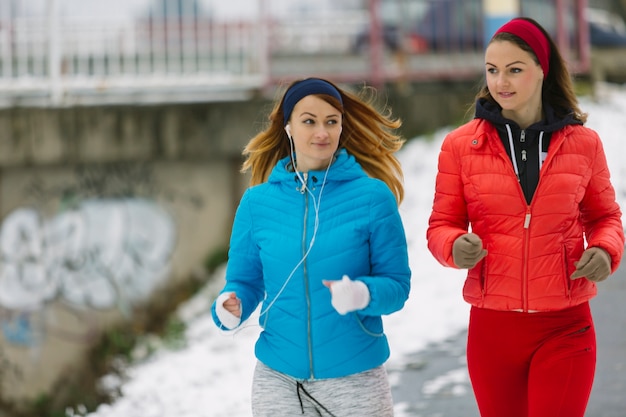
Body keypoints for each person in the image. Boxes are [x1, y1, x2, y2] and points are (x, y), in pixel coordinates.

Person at [426, 17, 624, 417]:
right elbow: (440, 225)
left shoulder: (583, 144)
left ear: (542, 70)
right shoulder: (461, 146)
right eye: (492, 70)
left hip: (566, 327)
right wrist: (452, 245)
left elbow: (606, 218)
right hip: (493, 333)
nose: (502, 82)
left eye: (514, 70)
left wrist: (604, 250)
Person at [211, 77, 411, 416]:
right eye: (309, 121)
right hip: (279, 379)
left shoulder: (373, 198)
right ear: (288, 126)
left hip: (355, 378)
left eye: (331, 122)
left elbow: (397, 285)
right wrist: (232, 305)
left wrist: (361, 293)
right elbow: (244, 281)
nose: (322, 132)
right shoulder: (257, 203)